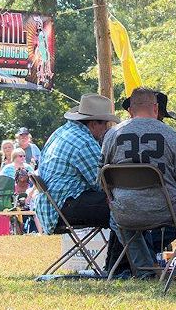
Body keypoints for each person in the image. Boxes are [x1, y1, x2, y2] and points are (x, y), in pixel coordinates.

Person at [102, 87, 176, 276]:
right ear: (156, 108)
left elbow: (102, 177)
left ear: (130, 110)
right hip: (165, 209)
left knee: (117, 220)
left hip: (126, 209)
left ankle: (144, 270)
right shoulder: (171, 135)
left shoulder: (112, 135)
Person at [34, 94, 119, 236]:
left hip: (52, 206)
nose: (106, 128)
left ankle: (118, 257)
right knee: (126, 208)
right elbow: (102, 184)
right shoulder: (85, 142)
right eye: (104, 123)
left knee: (121, 206)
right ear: (93, 124)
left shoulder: (61, 132)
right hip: (65, 206)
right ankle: (123, 257)